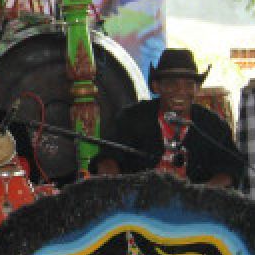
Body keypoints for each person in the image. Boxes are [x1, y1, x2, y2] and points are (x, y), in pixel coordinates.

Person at [92, 48, 242, 187]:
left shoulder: (212, 125)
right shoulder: (132, 118)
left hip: (196, 210)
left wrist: (202, 196)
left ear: (197, 89)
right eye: (172, 84)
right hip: (140, 209)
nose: (181, 91)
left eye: (189, 85)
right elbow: (107, 158)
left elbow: (231, 169)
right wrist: (117, 190)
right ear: (157, 87)